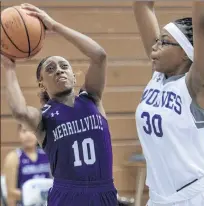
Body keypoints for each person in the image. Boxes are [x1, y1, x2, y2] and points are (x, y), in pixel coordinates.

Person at [1, 3, 117, 206]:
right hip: (67, 196)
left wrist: (54, 25)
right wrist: (9, 67)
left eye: (64, 67)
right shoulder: (44, 117)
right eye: (51, 68)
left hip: (104, 192)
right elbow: (19, 111)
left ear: (74, 76)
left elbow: (99, 55)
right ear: (41, 84)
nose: (59, 71)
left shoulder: (92, 98)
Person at [133, 1, 204, 206]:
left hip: (194, 197)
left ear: (186, 52)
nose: (155, 47)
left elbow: (203, 23)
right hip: (159, 198)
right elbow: (142, 5)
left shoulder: (197, 85)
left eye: (164, 42)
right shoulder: (157, 76)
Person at [3, 124, 51, 206]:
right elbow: (10, 193)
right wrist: (34, 194)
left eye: (32, 131)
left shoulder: (47, 155)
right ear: (19, 135)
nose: (28, 135)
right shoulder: (13, 157)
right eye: (24, 131)